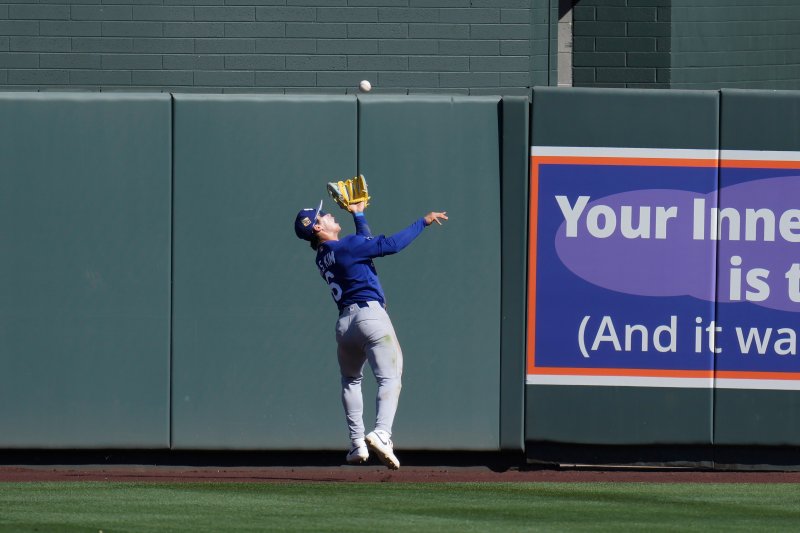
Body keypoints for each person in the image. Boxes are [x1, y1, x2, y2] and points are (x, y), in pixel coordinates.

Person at [294, 199, 448, 469]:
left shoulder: (324, 256)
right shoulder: (347, 246)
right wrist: (422, 222)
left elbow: (363, 245)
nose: (329, 214)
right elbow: (390, 245)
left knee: (351, 380)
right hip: (370, 317)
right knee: (390, 378)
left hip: (345, 325)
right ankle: (382, 433)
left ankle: (357, 444)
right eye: (323, 215)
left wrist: (359, 214)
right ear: (317, 226)